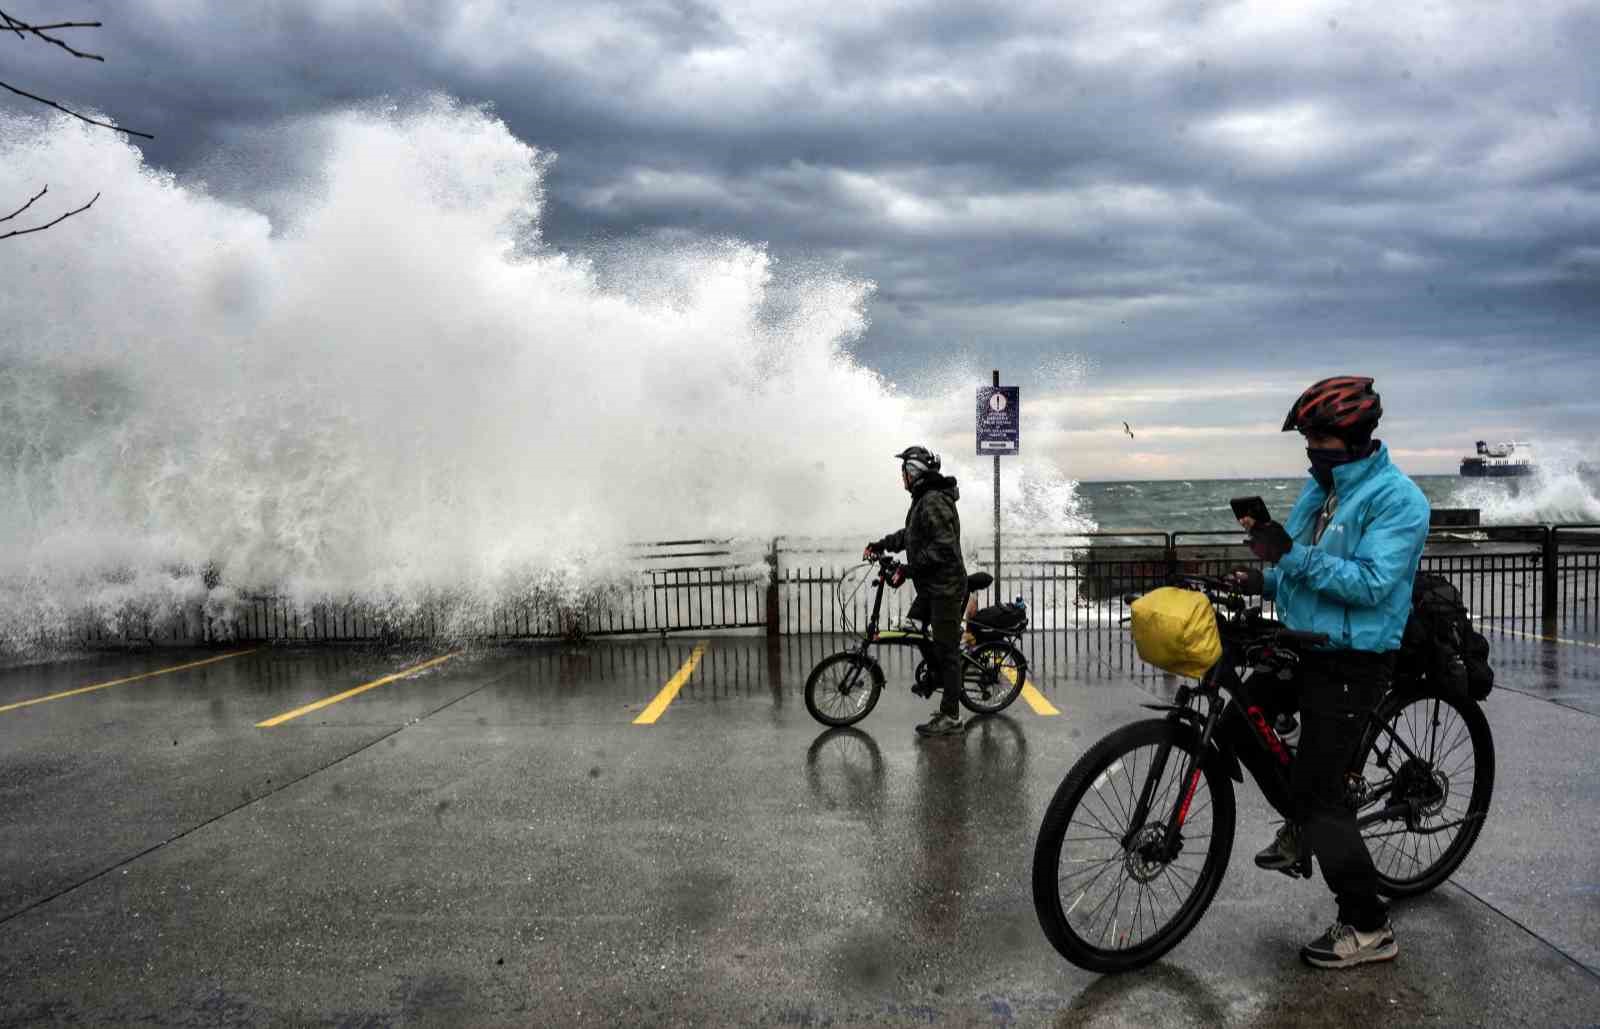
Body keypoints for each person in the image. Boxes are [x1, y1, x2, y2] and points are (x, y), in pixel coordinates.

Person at [1229, 375, 1430, 969]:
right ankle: (1302, 824)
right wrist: (1262, 577)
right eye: (1308, 440)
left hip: (1354, 658)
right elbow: (1302, 572)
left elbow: (1370, 584)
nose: (1311, 450)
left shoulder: (1399, 500)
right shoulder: (1321, 492)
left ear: (1355, 436)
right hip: (1304, 643)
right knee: (1241, 719)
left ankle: (1369, 927)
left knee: (1321, 797)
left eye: (1320, 439)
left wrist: (1290, 554)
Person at [864, 446, 968, 737]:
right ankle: (937, 674)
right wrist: (881, 544)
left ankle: (952, 716)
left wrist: (908, 570)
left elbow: (943, 548)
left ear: (914, 472)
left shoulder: (933, 500)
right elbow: (910, 536)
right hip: (932, 586)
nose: (902, 479)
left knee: (947, 652)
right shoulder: (923, 499)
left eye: (904, 473)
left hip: (945, 588)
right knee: (914, 627)